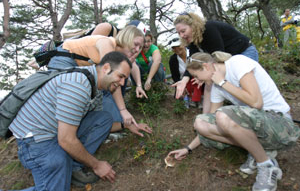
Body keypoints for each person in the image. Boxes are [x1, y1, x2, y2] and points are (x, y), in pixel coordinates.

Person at [8, 52, 153, 190]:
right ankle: (65, 166)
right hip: (34, 139)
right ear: (106, 68)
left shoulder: (95, 87)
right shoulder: (78, 85)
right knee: (59, 163)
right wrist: (96, 165)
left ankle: (73, 166)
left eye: (124, 79)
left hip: (57, 131)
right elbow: (66, 140)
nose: (122, 83)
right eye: (120, 76)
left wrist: (126, 126)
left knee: (104, 119)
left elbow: (98, 124)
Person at [168, 51, 300, 191]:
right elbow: (210, 120)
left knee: (223, 116)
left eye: (196, 75)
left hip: (280, 124)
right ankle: (259, 151)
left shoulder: (237, 63)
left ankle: (266, 165)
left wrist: (223, 82)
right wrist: (188, 149)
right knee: (200, 123)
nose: (197, 80)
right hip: (259, 125)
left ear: (206, 67)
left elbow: (256, 103)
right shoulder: (216, 87)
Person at [48, 25, 146, 132]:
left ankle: (86, 127)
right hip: (64, 59)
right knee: (67, 97)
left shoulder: (120, 55)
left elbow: (133, 67)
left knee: (108, 107)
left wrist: (139, 85)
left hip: (82, 70)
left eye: (140, 47)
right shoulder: (107, 43)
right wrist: (123, 110)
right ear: (127, 38)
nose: (137, 50)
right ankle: (59, 130)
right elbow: (112, 76)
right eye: (136, 44)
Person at [172, 12, 259, 113]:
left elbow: (219, 56)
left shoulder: (209, 29)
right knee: (209, 81)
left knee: (245, 87)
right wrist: (184, 81)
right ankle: (206, 118)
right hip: (228, 58)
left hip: (244, 52)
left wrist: (204, 75)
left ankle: (254, 113)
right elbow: (192, 61)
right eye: (179, 33)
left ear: (193, 25)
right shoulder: (194, 41)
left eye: (183, 31)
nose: (182, 35)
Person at [168, 34, 202, 108]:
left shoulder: (193, 52)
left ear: (183, 44)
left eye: (178, 46)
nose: (176, 49)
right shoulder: (173, 59)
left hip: (199, 79)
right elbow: (175, 76)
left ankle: (199, 98)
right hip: (184, 82)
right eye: (174, 47)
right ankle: (188, 97)